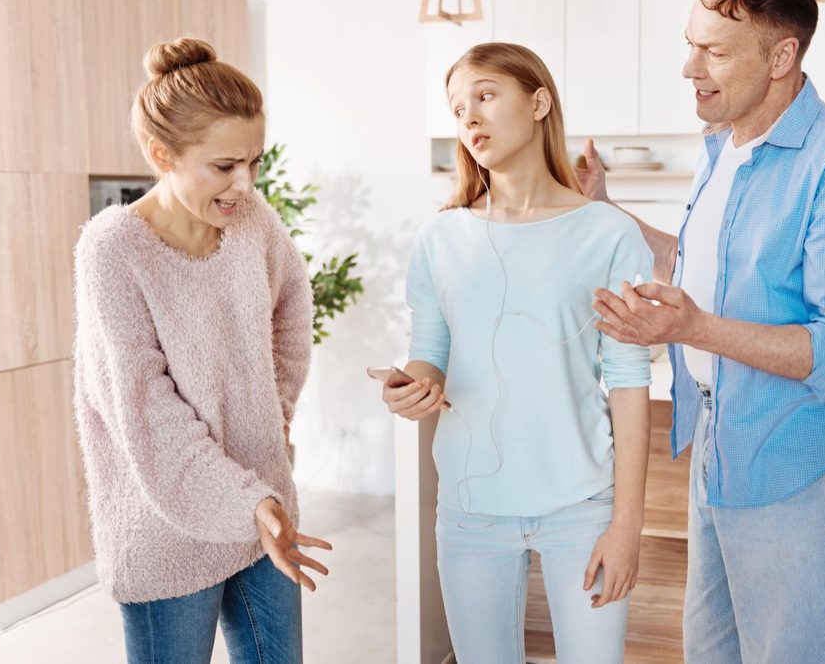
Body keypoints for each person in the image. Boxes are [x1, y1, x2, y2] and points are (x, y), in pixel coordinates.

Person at [579, 0, 825, 662]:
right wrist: (605, 210)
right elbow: (698, 265)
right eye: (690, 46)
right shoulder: (723, 147)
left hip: (797, 473)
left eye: (715, 52)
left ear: (781, 57)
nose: (689, 68)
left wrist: (692, 329)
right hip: (717, 458)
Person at [380, 42, 652, 663]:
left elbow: (629, 382)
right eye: (457, 109)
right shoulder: (440, 237)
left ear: (539, 102)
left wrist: (626, 525)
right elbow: (430, 354)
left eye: (485, 95)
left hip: (582, 505)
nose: (469, 117)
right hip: (472, 509)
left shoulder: (608, 233)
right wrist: (410, 385)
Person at [73, 37, 331, 663]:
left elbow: (292, 308)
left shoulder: (252, 221)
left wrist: (274, 405)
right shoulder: (114, 249)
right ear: (161, 154)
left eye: (255, 162)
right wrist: (245, 499)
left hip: (264, 504)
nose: (245, 183)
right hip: (166, 528)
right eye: (224, 166)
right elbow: (145, 410)